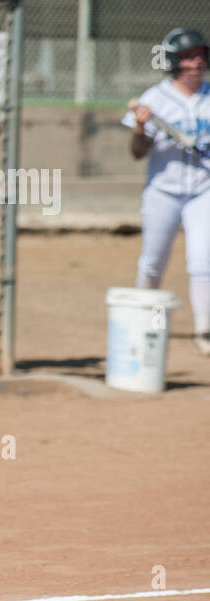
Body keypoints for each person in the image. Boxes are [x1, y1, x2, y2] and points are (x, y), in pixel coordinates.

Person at [124, 27, 210, 356]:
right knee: (153, 263)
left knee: (203, 260)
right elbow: (136, 152)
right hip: (164, 191)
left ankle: (204, 329)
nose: (196, 62)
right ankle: (145, 320)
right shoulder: (155, 98)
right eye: (189, 57)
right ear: (174, 62)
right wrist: (143, 127)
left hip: (203, 191)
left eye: (200, 55)